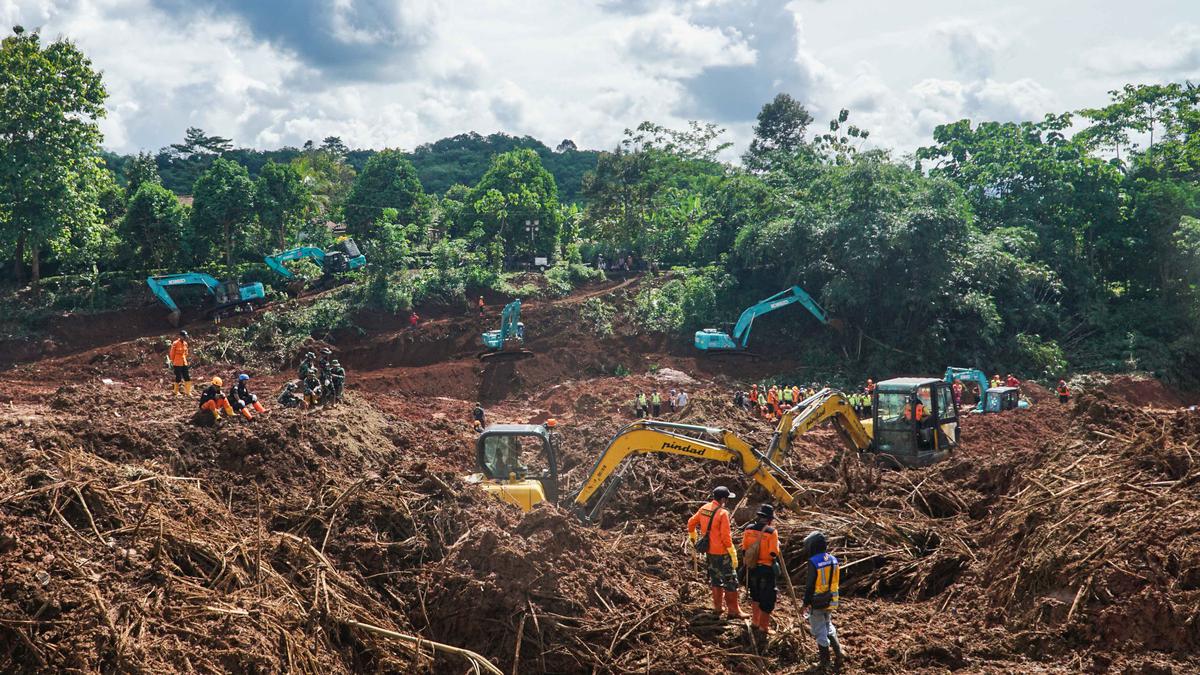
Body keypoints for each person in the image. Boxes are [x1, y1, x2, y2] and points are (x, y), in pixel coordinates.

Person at [687, 486, 747, 620]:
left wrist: (693, 536)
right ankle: (734, 611)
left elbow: (691, 522)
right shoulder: (722, 513)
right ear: (723, 499)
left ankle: (718, 607)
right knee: (731, 581)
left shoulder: (704, 508)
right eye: (727, 499)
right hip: (722, 553)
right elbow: (726, 537)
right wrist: (732, 552)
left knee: (715, 579)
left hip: (709, 552)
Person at [802, 531, 843, 672]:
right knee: (828, 624)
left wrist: (805, 603)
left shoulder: (813, 562)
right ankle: (839, 652)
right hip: (832, 600)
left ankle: (825, 663)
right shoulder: (833, 559)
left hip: (817, 602)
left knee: (820, 631)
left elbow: (810, 585)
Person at [742, 504, 781, 635]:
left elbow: (744, 549)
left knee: (755, 595)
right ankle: (763, 627)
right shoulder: (771, 532)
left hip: (752, 568)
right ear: (769, 519)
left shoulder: (748, 529)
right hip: (766, 569)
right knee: (767, 599)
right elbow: (773, 553)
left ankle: (755, 622)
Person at [169, 330, 192, 397]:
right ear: (180, 336)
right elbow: (172, 353)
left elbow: (186, 353)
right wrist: (173, 361)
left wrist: (184, 358)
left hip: (184, 362)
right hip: (177, 363)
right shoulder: (175, 343)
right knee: (178, 377)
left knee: (187, 377)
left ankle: (188, 392)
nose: (185, 338)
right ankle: (175, 392)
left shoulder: (185, 344)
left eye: (185, 337)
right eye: (184, 336)